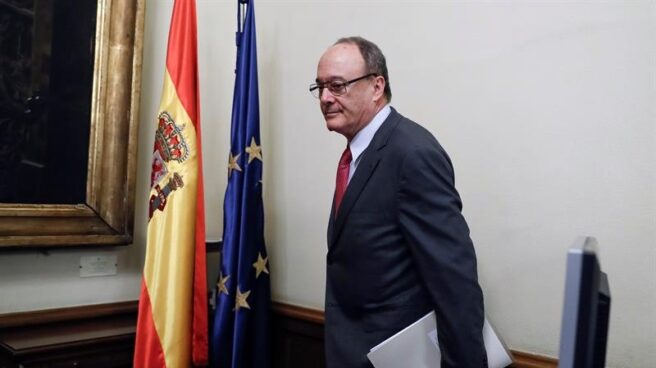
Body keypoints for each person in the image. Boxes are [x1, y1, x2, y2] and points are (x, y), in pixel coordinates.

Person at [311, 36, 488, 368]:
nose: (325, 98)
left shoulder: (412, 154)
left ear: (377, 86)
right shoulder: (358, 154)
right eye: (319, 87)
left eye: (337, 86)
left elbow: (455, 282)